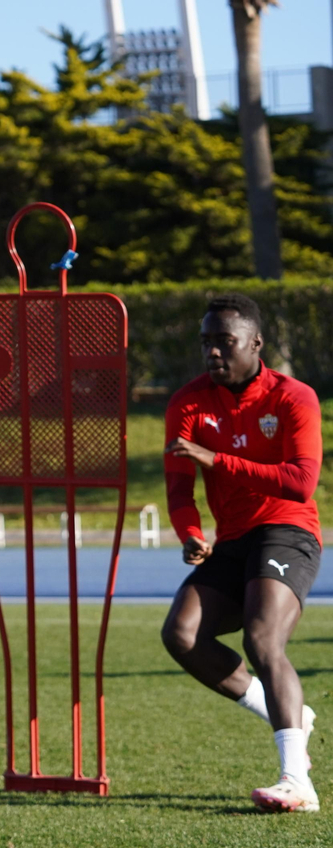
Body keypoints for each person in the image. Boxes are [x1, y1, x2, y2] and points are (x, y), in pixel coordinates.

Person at [160, 293, 322, 813]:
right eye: (206, 342)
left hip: (287, 529)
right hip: (231, 539)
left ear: (255, 344)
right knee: (181, 635)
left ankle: (297, 780)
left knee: (261, 636)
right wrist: (189, 533)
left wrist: (217, 458)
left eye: (224, 342)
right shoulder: (187, 403)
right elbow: (180, 491)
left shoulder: (294, 397)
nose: (212, 352)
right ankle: (293, 713)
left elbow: (300, 482)